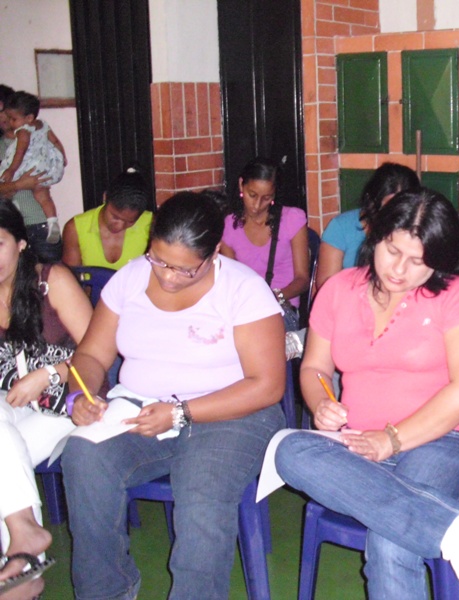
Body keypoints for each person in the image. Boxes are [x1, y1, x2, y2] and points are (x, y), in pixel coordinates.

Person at [61, 192, 287, 600]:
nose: (167, 277)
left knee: (201, 494)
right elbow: (92, 354)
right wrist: (81, 393)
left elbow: (267, 385)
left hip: (233, 413)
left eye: (185, 269)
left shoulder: (244, 290)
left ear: (213, 253)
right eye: (159, 260)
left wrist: (181, 412)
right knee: (84, 456)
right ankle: (107, 591)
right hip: (142, 406)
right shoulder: (130, 278)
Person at [275, 189, 459, 599]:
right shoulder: (339, 289)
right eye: (392, 251)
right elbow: (314, 368)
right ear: (375, 237)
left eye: (418, 261)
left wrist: (391, 440)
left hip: (446, 441)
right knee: (288, 450)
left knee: (391, 540)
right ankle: (454, 529)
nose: (399, 269)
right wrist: (321, 401)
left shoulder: (458, 295)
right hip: (357, 442)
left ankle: (434, 522)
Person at [0, 202, 94, 582]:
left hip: (69, 400)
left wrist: (47, 375)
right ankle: (24, 548)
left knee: (4, 465)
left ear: (21, 243)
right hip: (13, 402)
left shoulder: (52, 280)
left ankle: (22, 573)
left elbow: (97, 352)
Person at [221, 156, 309, 331]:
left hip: (282, 308)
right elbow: (230, 278)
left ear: (274, 195)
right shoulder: (229, 225)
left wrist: (276, 296)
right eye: (252, 195)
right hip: (245, 308)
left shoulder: (292, 219)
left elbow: (303, 280)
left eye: (266, 198)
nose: (257, 205)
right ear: (241, 185)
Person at [315, 162, 419, 293]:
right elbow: (326, 285)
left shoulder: (418, 231)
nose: (396, 212)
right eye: (390, 205)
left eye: (403, 206)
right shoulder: (342, 226)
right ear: (374, 200)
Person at [0, 87, 61, 264]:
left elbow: (55, 164)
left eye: (4, 111)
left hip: (40, 221)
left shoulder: (37, 135)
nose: (3, 118)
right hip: (9, 228)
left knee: (50, 274)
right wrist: (19, 184)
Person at [61, 164, 153, 269]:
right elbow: (70, 275)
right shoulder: (75, 229)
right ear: (105, 197)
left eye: (130, 222)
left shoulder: (151, 225)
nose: (119, 226)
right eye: (115, 217)